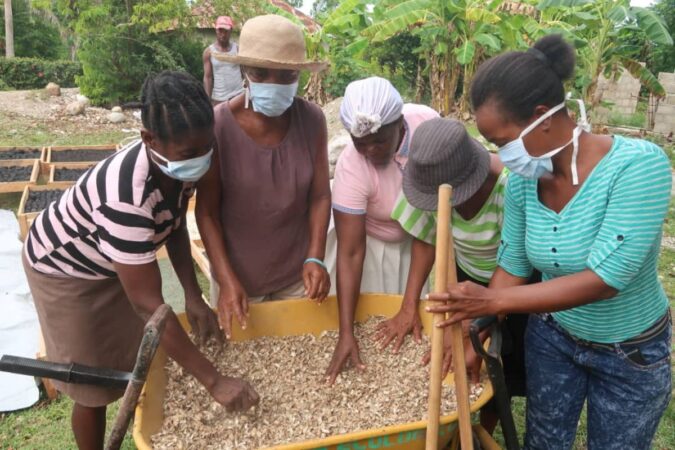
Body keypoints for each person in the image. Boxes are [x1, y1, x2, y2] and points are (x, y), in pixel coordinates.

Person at [428, 34, 672, 449]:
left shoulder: (639, 167)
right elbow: (513, 266)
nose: (502, 156)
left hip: (629, 353)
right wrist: (480, 330)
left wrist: (491, 303)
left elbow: (605, 279)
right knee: (543, 442)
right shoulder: (524, 181)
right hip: (554, 340)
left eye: (503, 143)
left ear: (542, 117)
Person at [23, 71, 259, 450]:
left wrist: (192, 295)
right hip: (65, 269)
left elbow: (174, 224)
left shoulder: (181, 160)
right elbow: (147, 303)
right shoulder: (126, 197)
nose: (201, 160)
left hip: (113, 259)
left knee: (128, 355)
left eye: (207, 147)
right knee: (91, 382)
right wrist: (214, 381)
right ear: (150, 140)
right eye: (189, 154)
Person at [379, 117, 534, 432]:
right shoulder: (428, 178)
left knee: (503, 363)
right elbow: (426, 238)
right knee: (467, 352)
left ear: (472, 180)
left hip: (517, 284)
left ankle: (487, 425)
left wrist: (476, 330)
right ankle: (467, 421)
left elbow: (514, 266)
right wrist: (410, 304)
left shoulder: (510, 187)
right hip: (467, 278)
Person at [196, 15, 331, 340]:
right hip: (238, 282)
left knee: (299, 361)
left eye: (286, 75)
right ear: (245, 72)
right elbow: (207, 212)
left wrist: (316, 255)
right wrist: (227, 281)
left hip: (298, 276)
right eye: (261, 73)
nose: (274, 83)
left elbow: (320, 196)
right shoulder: (218, 127)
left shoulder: (311, 120)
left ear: (299, 75)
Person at [325, 77, 438, 384]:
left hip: (420, 242)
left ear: (399, 124)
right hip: (371, 243)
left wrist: (408, 304)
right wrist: (345, 333)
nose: (371, 151)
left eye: (380, 142)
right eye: (361, 143)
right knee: (369, 319)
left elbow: (427, 232)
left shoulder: (428, 129)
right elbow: (350, 252)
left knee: (414, 321)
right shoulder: (351, 165)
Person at [203, 15, 244, 105]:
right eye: (220, 30)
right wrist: (207, 100)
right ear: (216, 30)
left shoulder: (237, 49)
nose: (223, 34)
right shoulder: (209, 52)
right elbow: (208, 77)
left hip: (238, 96)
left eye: (226, 31)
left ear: (231, 31)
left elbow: (244, 72)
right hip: (219, 99)